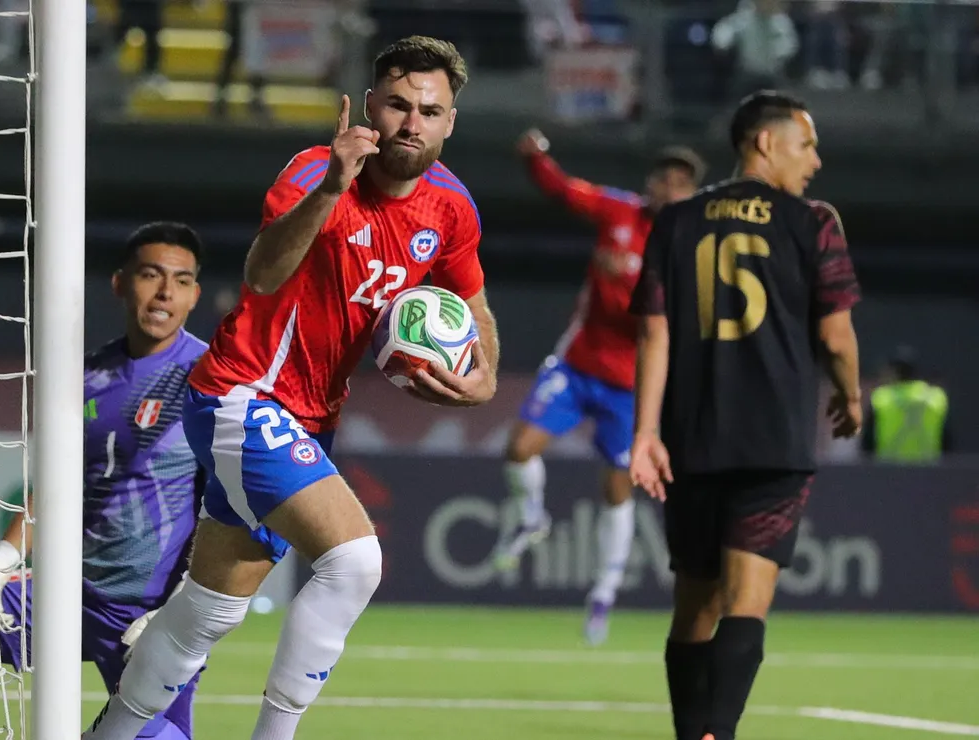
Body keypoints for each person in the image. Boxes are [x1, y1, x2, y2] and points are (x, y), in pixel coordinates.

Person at [84, 35, 499, 740]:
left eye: (429, 110)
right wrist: (335, 187)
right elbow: (263, 274)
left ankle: (113, 732)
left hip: (310, 418)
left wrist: (483, 372)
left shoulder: (451, 209)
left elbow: (474, 302)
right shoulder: (313, 171)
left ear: (449, 121)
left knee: (208, 609)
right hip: (242, 395)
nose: (410, 122)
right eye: (397, 104)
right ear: (370, 105)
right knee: (355, 561)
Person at [0, 222, 209, 740]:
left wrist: (185, 606)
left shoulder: (208, 378)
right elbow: (58, 484)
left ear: (195, 294)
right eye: (151, 275)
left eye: (180, 280)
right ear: (120, 282)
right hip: (66, 593)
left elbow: (223, 506)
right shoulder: (85, 376)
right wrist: (2, 562)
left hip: (149, 611)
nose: (165, 292)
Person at [627, 90, 862, 740]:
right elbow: (838, 336)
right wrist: (850, 394)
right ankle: (717, 735)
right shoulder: (814, 221)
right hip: (775, 441)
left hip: (691, 437)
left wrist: (645, 432)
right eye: (806, 143)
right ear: (765, 142)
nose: (815, 160)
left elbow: (653, 334)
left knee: (694, 606)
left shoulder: (674, 222)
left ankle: (691, 734)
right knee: (746, 605)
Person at [494, 129, 705, 646]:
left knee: (617, 487)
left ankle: (604, 590)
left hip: (630, 385)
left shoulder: (690, 253)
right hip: (578, 362)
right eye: (663, 177)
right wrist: (536, 159)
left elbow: (667, 325)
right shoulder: (619, 211)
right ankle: (530, 517)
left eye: (680, 183)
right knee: (519, 447)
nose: (668, 187)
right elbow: (566, 190)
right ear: (650, 183)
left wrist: (632, 284)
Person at [861, 345, 953, 463]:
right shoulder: (935, 398)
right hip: (929, 474)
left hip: (888, 474)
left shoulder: (881, 399)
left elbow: (867, 444)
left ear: (893, 372)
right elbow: (947, 441)